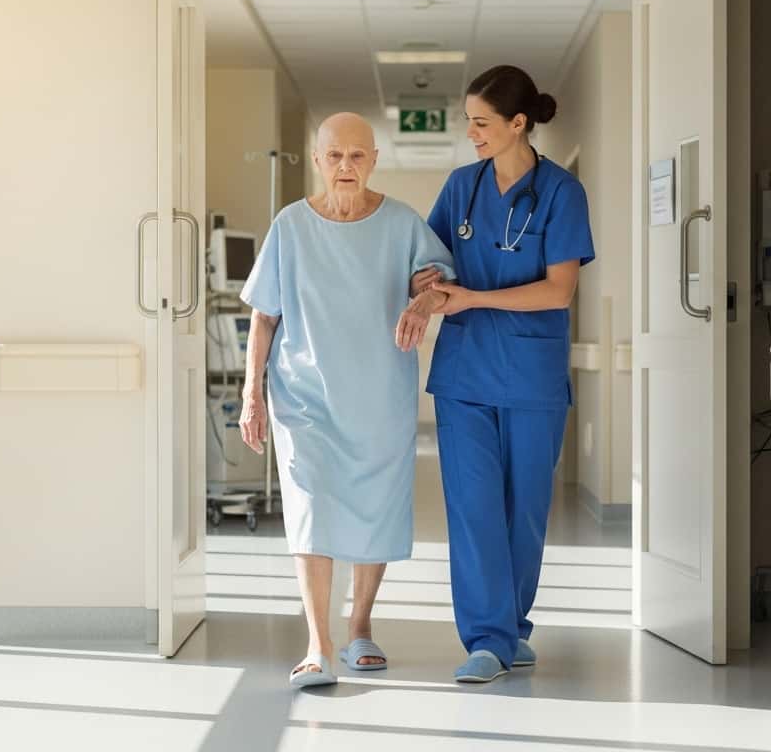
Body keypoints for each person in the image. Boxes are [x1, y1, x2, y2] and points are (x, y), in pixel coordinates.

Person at [238, 112, 454, 689]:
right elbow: (264, 315)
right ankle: (318, 642)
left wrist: (423, 299)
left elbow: (436, 281)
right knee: (309, 506)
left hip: (378, 393)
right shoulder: (290, 226)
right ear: (317, 160)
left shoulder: (403, 223)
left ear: (374, 159)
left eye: (357, 156)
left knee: (373, 504)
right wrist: (251, 392)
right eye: (334, 156)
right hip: (303, 393)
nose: (345, 167)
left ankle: (360, 625)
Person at [413, 65, 595, 683]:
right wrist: (429, 287)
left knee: (524, 511)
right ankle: (488, 638)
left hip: (531, 376)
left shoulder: (562, 193)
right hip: (463, 375)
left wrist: (474, 299)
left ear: (519, 124)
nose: (471, 133)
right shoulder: (461, 188)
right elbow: (430, 260)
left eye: (482, 122)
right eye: (468, 121)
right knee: (472, 508)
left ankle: (511, 627)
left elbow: (560, 290)